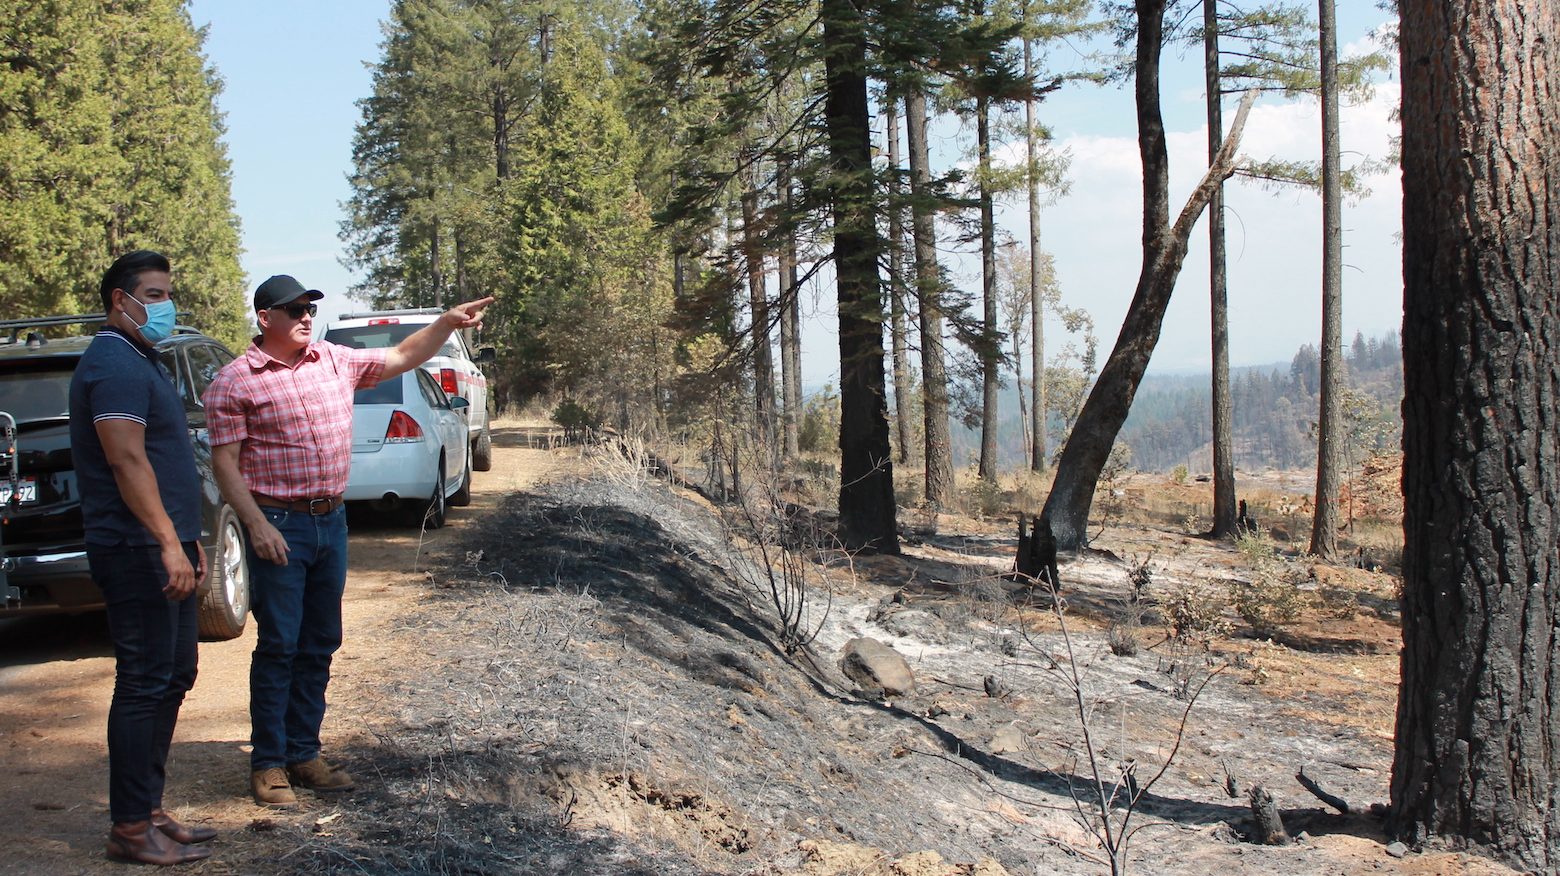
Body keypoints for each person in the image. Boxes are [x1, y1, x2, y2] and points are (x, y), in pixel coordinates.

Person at [204, 276, 492, 808]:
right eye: (293, 310)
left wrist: (447, 323)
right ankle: (268, 764)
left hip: (330, 524)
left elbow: (405, 354)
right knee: (279, 645)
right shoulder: (235, 382)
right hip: (278, 525)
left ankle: (303, 753)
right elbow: (225, 462)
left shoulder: (334, 360)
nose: (306, 316)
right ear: (265, 318)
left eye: (310, 307)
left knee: (319, 642)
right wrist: (257, 525)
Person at [69, 250, 216, 865]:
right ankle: (130, 828)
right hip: (134, 550)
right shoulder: (114, 366)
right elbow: (127, 461)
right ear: (118, 300)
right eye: (153, 294)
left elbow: (163, 459)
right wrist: (163, 542)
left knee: (174, 675)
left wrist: (189, 539)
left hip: (165, 543)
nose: (164, 305)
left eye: (166, 293)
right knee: (143, 683)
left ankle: (150, 809)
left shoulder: (139, 359)